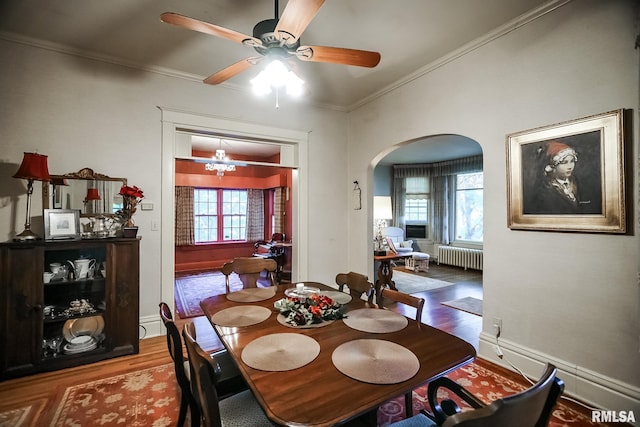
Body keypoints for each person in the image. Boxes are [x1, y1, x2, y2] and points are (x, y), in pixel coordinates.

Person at [532, 141, 587, 214]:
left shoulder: (576, 182)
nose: (570, 166)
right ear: (553, 166)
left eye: (572, 161)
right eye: (564, 162)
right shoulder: (545, 191)